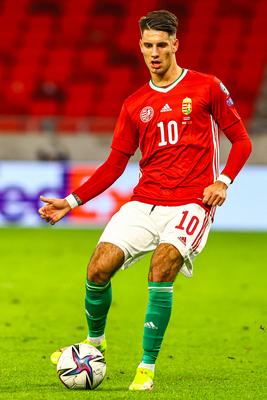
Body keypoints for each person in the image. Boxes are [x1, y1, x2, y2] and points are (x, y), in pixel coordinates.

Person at [39, 10, 252, 391]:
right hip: (145, 201)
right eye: (148, 46)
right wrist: (71, 202)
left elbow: (242, 141)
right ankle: (95, 345)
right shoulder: (135, 103)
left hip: (192, 203)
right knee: (97, 268)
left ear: (175, 44)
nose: (154, 53)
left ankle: (146, 367)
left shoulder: (206, 88)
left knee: (162, 264)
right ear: (140, 47)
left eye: (161, 45)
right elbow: (114, 164)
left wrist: (222, 181)